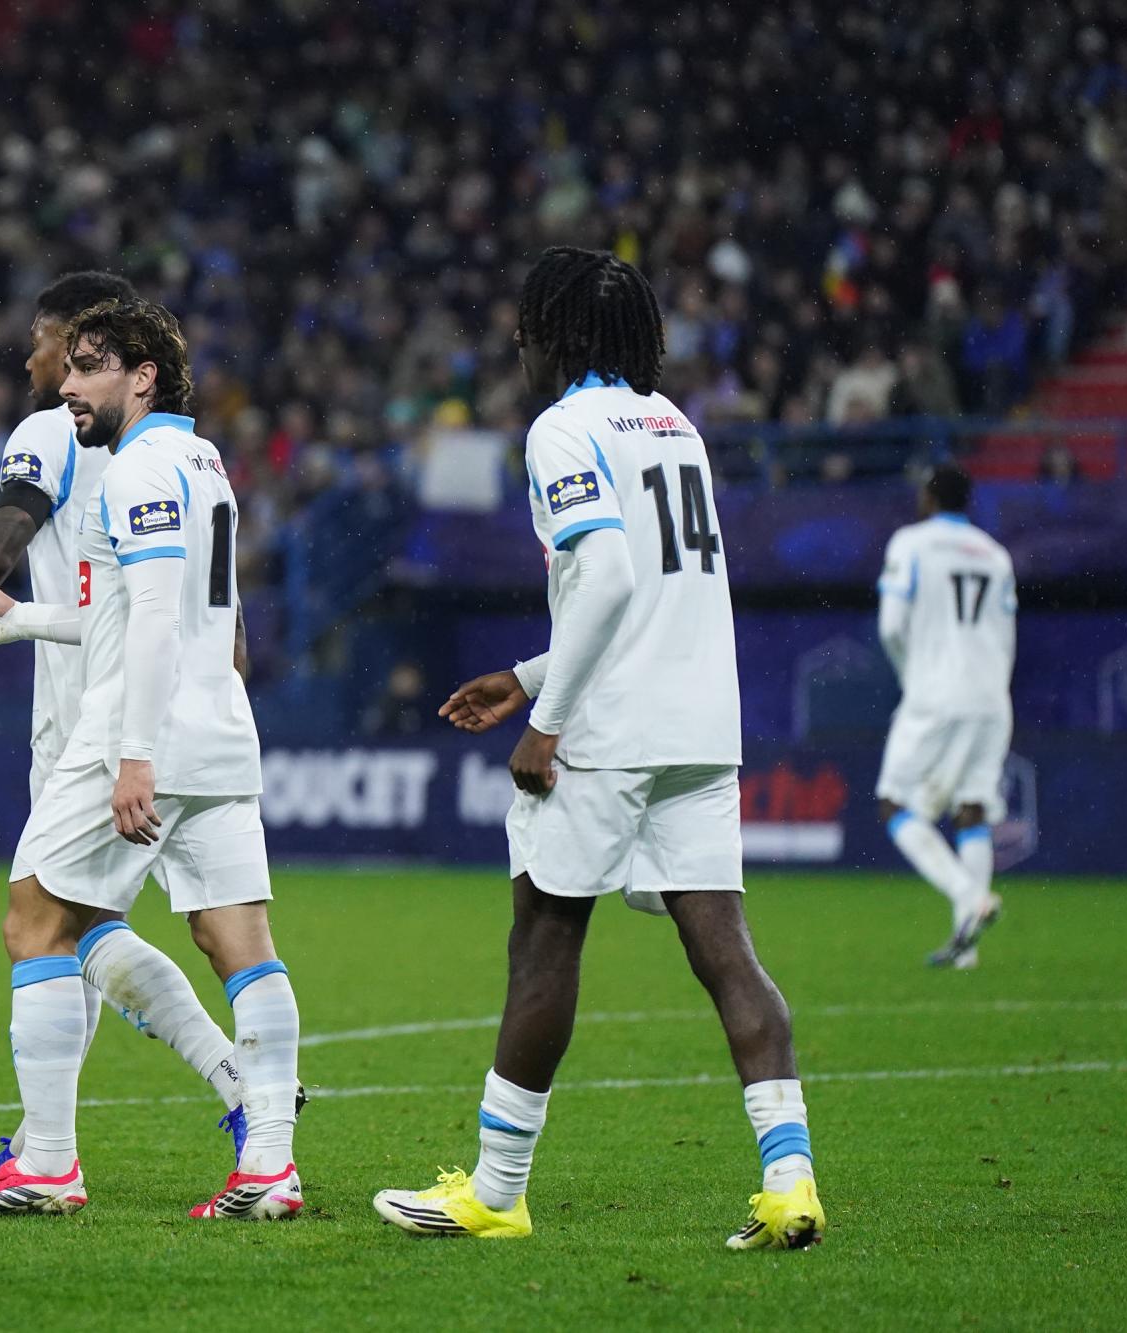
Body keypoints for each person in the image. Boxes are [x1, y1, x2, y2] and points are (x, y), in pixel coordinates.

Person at [372, 248, 824, 1250]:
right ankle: (790, 1182)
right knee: (725, 951)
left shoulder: (563, 428)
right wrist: (529, 675)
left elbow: (611, 578)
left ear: (558, 335)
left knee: (543, 940)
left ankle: (497, 1190)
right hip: (699, 724)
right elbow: (651, 594)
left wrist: (550, 718)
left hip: (611, 730)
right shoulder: (674, 426)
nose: (518, 348)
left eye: (526, 331)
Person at [0, 272, 265, 1186]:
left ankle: (105, 1133)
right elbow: (214, 605)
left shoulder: (50, 433)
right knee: (141, 924)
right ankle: (94, 1128)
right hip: (187, 711)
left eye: (50, 342)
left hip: (92, 716)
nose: (41, 363)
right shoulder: (194, 456)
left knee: (55, 920)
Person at [0, 298, 303, 1220]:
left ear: (143, 377)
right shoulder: (203, 461)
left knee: (36, 920)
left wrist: (135, 756)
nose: (68, 384)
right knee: (240, 941)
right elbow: (146, 609)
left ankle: (49, 1162)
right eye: (69, 365)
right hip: (219, 730)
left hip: (139, 732)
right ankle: (270, 1163)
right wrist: (24, 619)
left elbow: (150, 619)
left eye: (89, 366)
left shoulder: (137, 467)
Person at [876, 465, 1016, 968]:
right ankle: (966, 950)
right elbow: (1006, 636)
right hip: (991, 696)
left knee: (893, 803)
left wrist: (910, 675)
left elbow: (892, 627)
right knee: (971, 808)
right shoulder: (995, 555)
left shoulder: (911, 544)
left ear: (930, 497)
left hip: (934, 693)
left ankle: (969, 896)